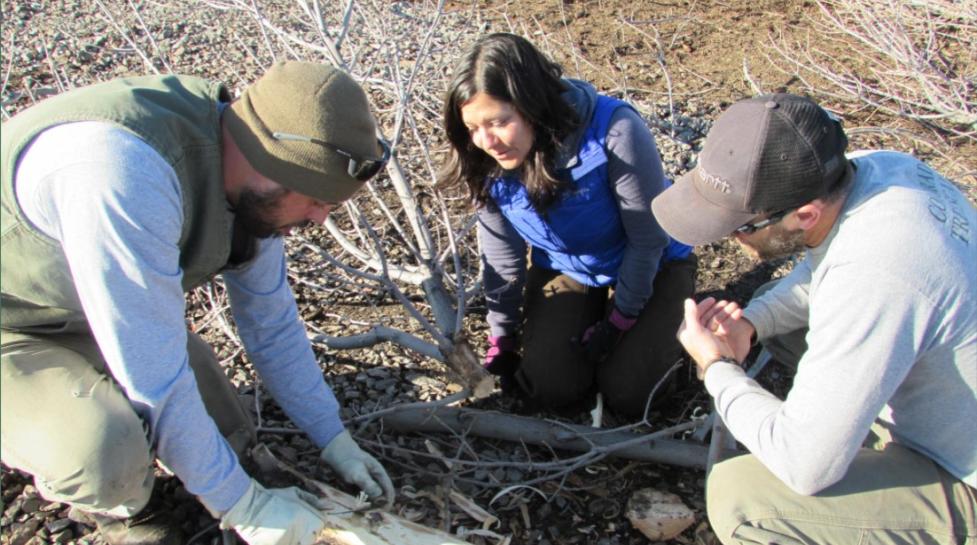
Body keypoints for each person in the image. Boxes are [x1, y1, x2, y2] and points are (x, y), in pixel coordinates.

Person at [0, 61, 396, 545]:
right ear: (272, 165)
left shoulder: (256, 180)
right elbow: (156, 378)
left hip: (96, 304)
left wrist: (333, 437)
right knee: (103, 451)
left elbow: (271, 324)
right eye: (316, 200)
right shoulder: (123, 171)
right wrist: (244, 506)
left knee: (228, 427)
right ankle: (125, 512)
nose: (319, 217)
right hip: (15, 323)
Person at [652, 93, 976, 544]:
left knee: (744, 503)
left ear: (805, 214)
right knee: (772, 307)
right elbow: (821, 269)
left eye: (741, 228)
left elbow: (805, 466)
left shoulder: (876, 276)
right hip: (946, 393)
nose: (728, 240)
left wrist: (718, 369)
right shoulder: (877, 171)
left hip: (962, 472)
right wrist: (752, 323)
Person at [439, 33, 696, 417]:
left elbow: (647, 239)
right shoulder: (485, 158)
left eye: (499, 122)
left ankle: (682, 335)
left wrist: (618, 321)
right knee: (550, 387)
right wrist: (503, 337)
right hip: (570, 265)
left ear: (531, 104)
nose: (486, 140)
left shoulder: (615, 130)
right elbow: (502, 257)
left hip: (656, 260)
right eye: (474, 127)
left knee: (630, 395)